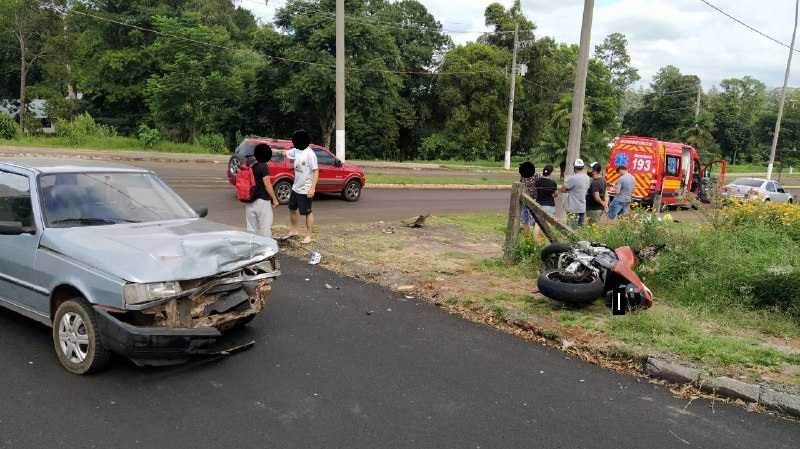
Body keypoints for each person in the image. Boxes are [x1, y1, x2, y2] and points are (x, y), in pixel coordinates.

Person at [284, 130, 318, 244]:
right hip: (295, 187)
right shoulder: (296, 150)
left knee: (307, 212)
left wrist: (312, 188)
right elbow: (284, 153)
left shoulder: (310, 154)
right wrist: (270, 151)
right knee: (292, 209)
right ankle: (294, 230)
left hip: (305, 189)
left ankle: (309, 235)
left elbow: (316, 171)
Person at [245, 143, 280, 238]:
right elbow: (267, 185)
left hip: (249, 200)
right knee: (265, 228)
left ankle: (251, 249)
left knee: (251, 229)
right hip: (262, 201)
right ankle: (266, 250)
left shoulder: (248, 162)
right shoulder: (263, 166)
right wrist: (275, 199)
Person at [561, 158, 590, 228]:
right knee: (580, 229)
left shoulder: (573, 178)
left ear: (574, 167)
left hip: (573, 208)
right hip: (582, 207)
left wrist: (570, 190)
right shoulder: (587, 177)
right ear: (582, 167)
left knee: (571, 229)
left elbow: (563, 189)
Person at [533, 165, 558, 239]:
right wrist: (552, 194)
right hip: (549, 205)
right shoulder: (552, 183)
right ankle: (546, 239)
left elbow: (535, 192)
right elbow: (556, 194)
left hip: (539, 204)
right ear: (551, 173)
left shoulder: (537, 182)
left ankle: (536, 241)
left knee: (537, 224)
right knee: (548, 223)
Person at [518, 161, 539, 235]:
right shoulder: (522, 175)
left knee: (533, 218)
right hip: (524, 199)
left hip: (533, 199)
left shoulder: (536, 175)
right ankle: (527, 236)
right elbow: (521, 185)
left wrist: (536, 198)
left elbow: (538, 187)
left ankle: (534, 236)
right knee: (524, 218)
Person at [585, 162, 608, 226]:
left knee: (592, 228)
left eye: (590, 169)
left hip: (593, 209)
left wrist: (603, 204)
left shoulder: (595, 182)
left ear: (594, 171)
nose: (588, 170)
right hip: (598, 209)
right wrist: (605, 203)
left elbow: (597, 198)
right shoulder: (603, 180)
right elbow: (606, 193)